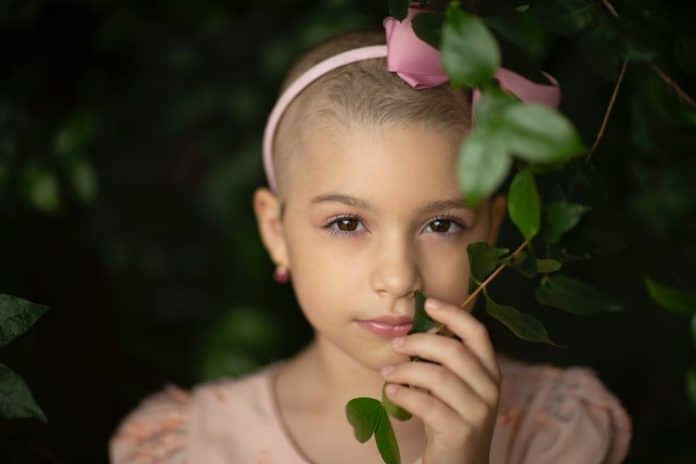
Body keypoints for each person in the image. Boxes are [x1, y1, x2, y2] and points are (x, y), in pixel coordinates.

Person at [109, 4, 631, 463]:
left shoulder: (561, 433)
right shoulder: (189, 448)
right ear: (275, 230)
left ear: (493, 232)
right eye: (347, 223)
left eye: (442, 224)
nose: (399, 277)